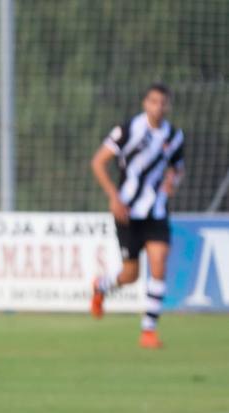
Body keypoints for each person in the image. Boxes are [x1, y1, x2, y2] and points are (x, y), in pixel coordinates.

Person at [89, 83, 186, 349]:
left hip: (156, 211)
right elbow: (98, 162)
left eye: (163, 102)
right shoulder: (128, 129)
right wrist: (114, 197)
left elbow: (178, 168)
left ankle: (148, 331)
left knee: (159, 264)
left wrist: (172, 182)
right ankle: (101, 285)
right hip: (128, 212)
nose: (158, 107)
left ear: (168, 106)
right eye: (153, 101)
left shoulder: (175, 136)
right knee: (131, 274)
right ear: (145, 103)